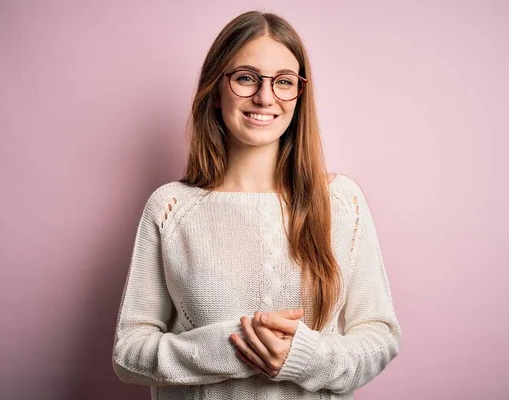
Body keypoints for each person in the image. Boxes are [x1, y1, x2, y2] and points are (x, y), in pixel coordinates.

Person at [111, 10, 402, 400]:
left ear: (299, 95)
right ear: (216, 89)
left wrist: (304, 356)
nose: (265, 97)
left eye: (283, 82)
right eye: (246, 78)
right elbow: (128, 354)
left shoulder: (340, 202)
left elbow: (380, 336)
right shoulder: (171, 208)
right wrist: (236, 347)